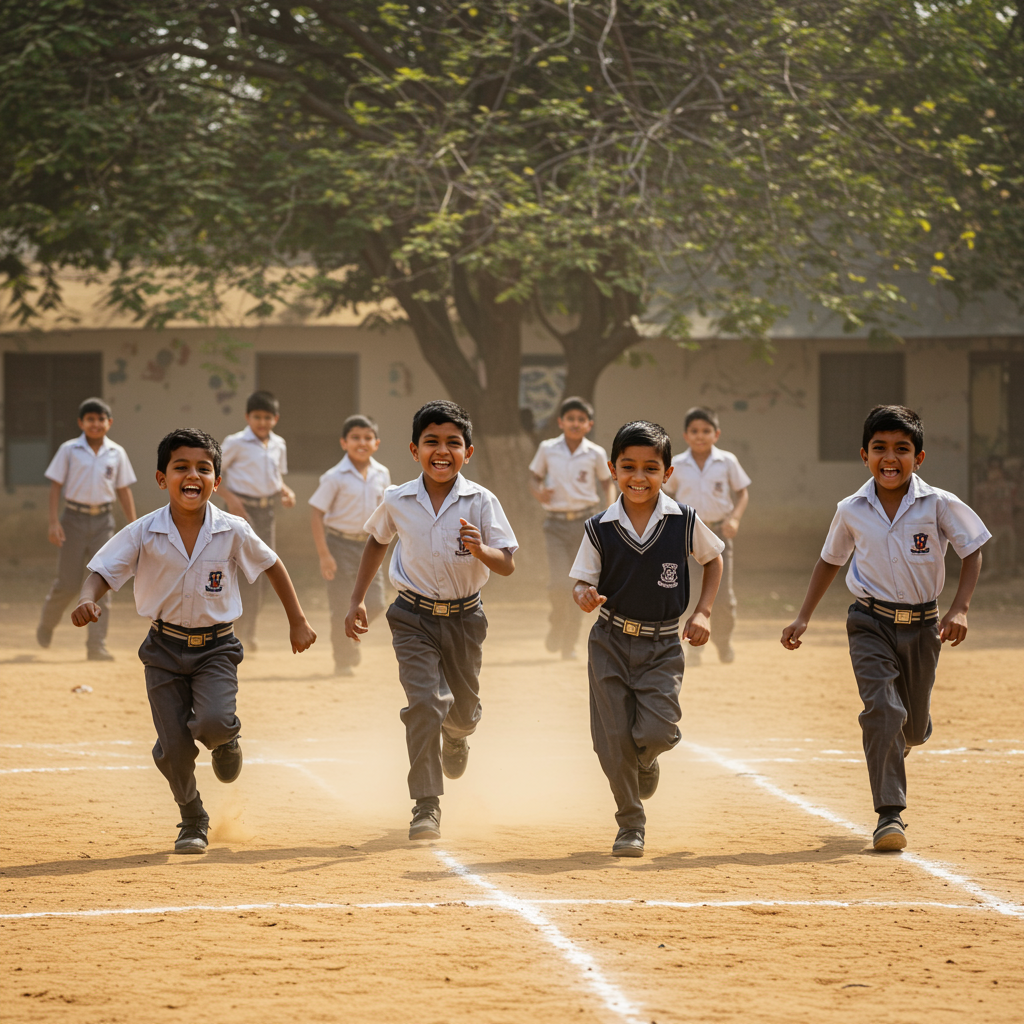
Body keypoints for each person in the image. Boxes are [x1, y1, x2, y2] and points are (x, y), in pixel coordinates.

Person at [71, 428, 316, 855]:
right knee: (175, 750)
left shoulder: (233, 529)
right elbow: (103, 572)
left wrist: (297, 620)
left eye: (204, 468)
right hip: (163, 651)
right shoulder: (143, 532)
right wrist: (87, 599)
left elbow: (272, 565)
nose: (192, 475)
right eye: (180, 466)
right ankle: (192, 818)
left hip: (216, 649)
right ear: (161, 478)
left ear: (216, 482)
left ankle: (226, 740)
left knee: (213, 722)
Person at [781, 405, 989, 852]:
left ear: (919, 457)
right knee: (883, 711)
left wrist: (961, 608)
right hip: (869, 622)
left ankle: (903, 742)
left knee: (911, 729)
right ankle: (889, 816)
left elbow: (972, 550)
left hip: (924, 627)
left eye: (902, 449)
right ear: (864, 455)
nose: (890, 457)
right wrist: (803, 616)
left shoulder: (939, 504)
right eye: (880, 448)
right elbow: (829, 561)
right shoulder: (851, 509)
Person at [345, 400, 517, 842]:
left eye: (453, 443)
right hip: (412, 616)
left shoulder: (481, 501)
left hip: (464, 619)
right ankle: (426, 804)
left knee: (461, 713)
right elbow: (376, 543)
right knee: (424, 704)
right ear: (414, 449)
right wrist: (359, 599)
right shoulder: (397, 499)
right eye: (432, 442)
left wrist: (481, 551)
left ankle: (457, 737)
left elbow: (507, 563)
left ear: (468, 452)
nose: (442, 451)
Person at [571, 420, 724, 858]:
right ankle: (630, 823)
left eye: (650, 468)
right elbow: (581, 581)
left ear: (667, 473)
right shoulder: (599, 526)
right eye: (628, 467)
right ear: (612, 470)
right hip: (610, 641)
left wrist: (704, 612)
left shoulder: (683, 520)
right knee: (613, 736)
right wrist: (584, 595)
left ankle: (648, 758)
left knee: (657, 729)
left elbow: (713, 561)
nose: (639, 477)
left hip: (662, 645)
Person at [37, 397, 137, 661]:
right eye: (90, 419)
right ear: (81, 423)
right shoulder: (69, 450)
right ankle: (47, 623)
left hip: (104, 522)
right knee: (68, 583)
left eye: (101, 419)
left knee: (103, 581)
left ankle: (97, 645)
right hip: (73, 520)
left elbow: (123, 489)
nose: (96, 424)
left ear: (109, 423)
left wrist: (134, 525)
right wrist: (53, 521)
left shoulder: (117, 453)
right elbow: (56, 485)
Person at [529, 397, 615, 660]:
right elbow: (534, 476)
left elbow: (607, 483)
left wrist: (609, 512)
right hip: (554, 524)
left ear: (589, 424)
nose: (575, 423)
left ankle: (569, 644)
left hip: (586, 525)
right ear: (561, 422)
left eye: (581, 419)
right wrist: (539, 492)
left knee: (582, 587)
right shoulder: (547, 448)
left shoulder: (596, 453)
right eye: (570, 419)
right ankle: (557, 623)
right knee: (558, 584)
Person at [663, 407, 750, 664]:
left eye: (706, 431)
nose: (700, 436)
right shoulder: (677, 463)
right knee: (689, 593)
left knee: (722, 597)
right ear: (685, 435)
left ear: (716, 434)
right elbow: (665, 495)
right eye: (694, 431)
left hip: (719, 534)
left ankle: (723, 642)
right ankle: (695, 648)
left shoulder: (727, 461)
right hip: (686, 537)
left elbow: (742, 493)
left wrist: (734, 518)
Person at [309, 414, 391, 676]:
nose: (362, 442)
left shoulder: (382, 473)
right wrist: (324, 555)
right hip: (338, 546)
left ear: (376, 443)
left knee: (377, 601)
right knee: (342, 606)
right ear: (344, 443)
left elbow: (388, 510)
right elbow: (316, 513)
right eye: (355, 437)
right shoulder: (335, 477)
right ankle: (343, 660)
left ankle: (351, 635)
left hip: (370, 546)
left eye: (368, 438)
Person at [221, 391, 296, 651]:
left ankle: (248, 631)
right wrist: (231, 500)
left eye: (267, 417)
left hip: (266, 513)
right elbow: (212, 474)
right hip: (239, 511)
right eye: (257, 417)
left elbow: (276, 477)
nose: (262, 422)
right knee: (236, 572)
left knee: (263, 572)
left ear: (275, 418)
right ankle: (229, 631)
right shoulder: (235, 442)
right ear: (247, 417)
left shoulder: (279, 444)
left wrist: (285, 491)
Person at [972, 455, 1016, 578]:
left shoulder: (1008, 486)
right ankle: (993, 568)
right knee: (992, 546)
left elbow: (1013, 502)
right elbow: (978, 505)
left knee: (1009, 543)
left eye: (997, 469)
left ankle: (1009, 568)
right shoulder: (982, 488)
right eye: (992, 469)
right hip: (992, 521)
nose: (995, 472)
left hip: (1007, 521)